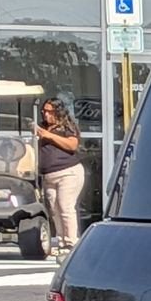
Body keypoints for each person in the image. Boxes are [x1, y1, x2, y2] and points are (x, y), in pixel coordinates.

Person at [34, 98, 85, 259]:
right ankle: (61, 241)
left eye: (49, 111)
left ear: (58, 112)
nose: (46, 114)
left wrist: (49, 136)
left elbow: (72, 145)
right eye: (44, 111)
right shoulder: (42, 127)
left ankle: (71, 242)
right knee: (54, 209)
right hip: (49, 175)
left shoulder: (67, 126)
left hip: (68, 173)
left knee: (65, 207)